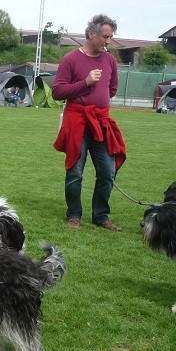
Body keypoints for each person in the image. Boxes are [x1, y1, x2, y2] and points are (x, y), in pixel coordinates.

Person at [52, 14, 126, 232]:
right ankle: (74, 215)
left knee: (108, 171)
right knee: (75, 171)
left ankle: (100, 216)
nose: (108, 41)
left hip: (100, 121)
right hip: (77, 121)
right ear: (91, 33)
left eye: (110, 37)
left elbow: (111, 89)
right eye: (105, 36)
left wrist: (97, 99)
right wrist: (85, 83)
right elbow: (57, 91)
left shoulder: (110, 60)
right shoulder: (71, 59)